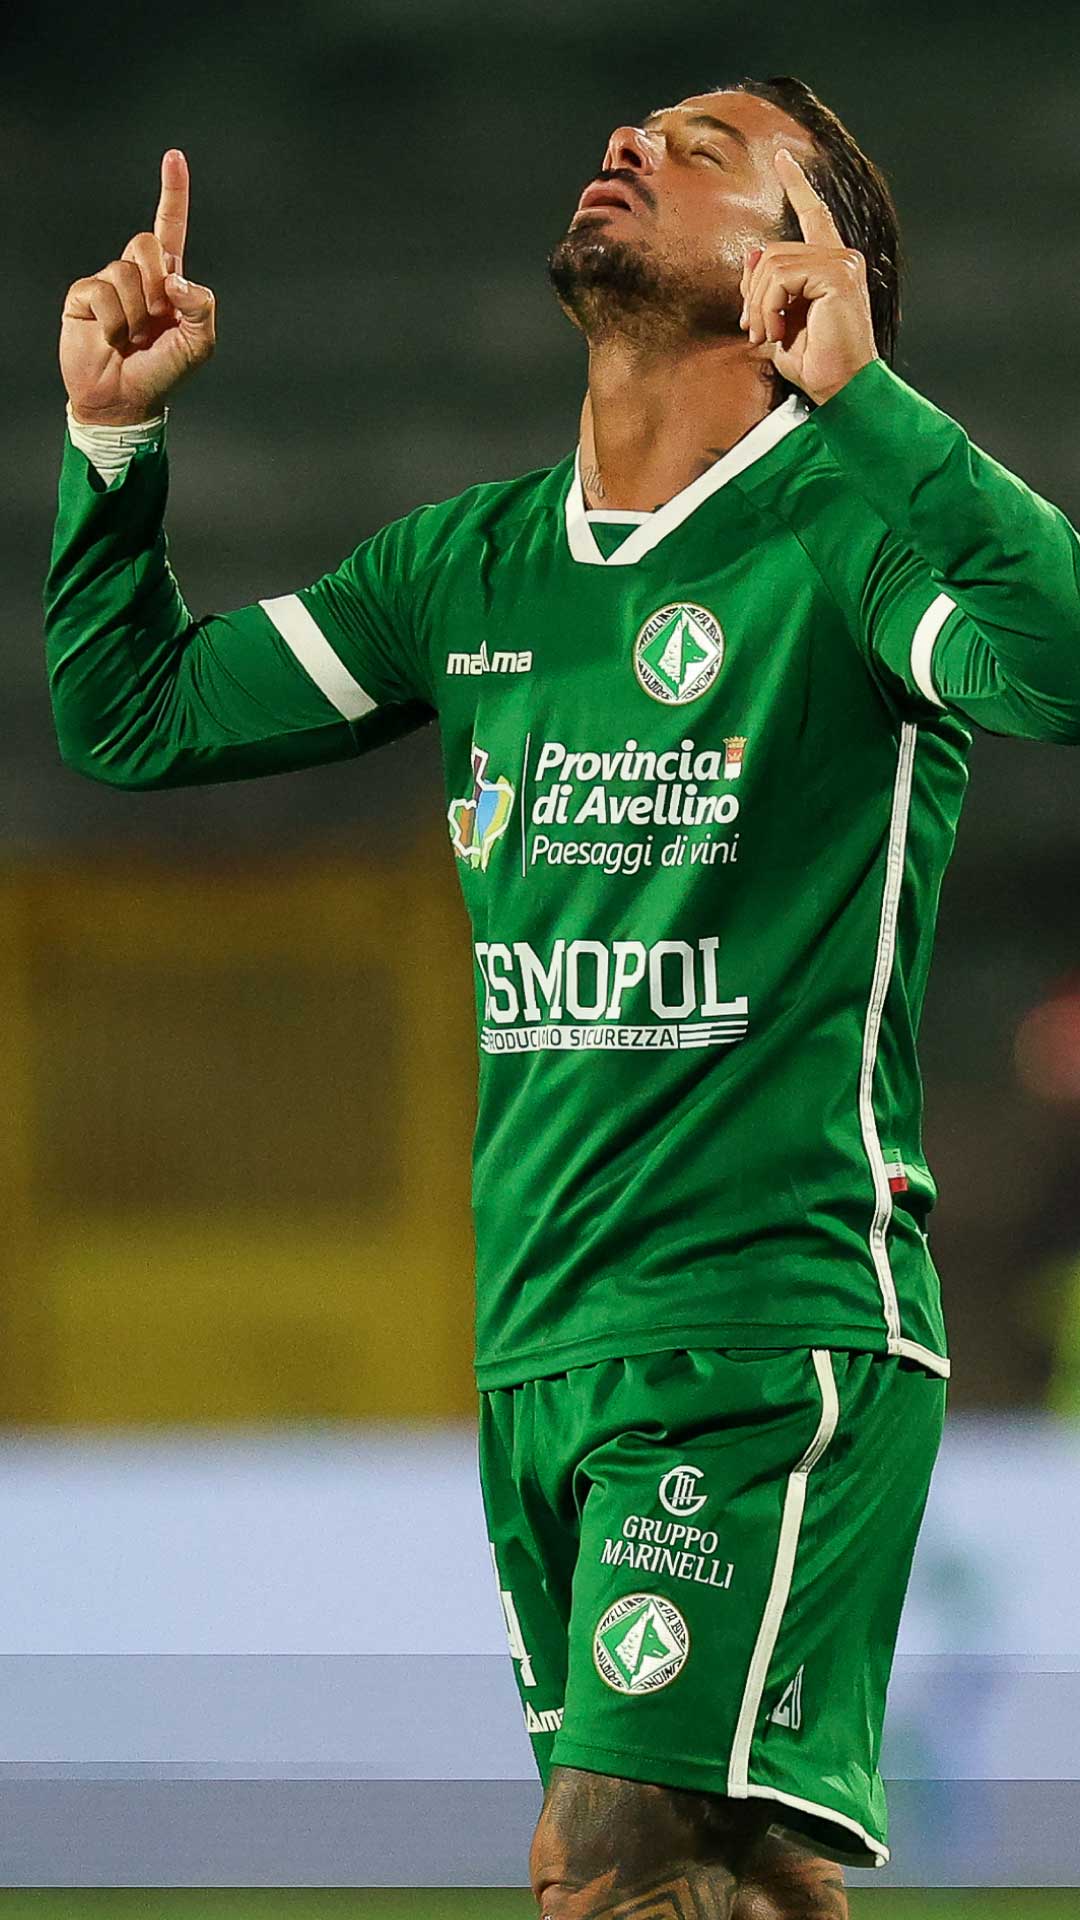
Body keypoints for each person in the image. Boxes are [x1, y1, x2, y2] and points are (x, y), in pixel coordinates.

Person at [45, 72, 1080, 1920]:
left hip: (762, 1329)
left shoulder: (850, 540)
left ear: (804, 263)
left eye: (704, 149)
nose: (630, 144)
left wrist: (871, 404)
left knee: (605, 1866)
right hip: (542, 1346)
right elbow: (136, 717)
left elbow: (1062, 665)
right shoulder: (471, 567)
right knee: (729, 1885)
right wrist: (113, 444)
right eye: (635, 130)